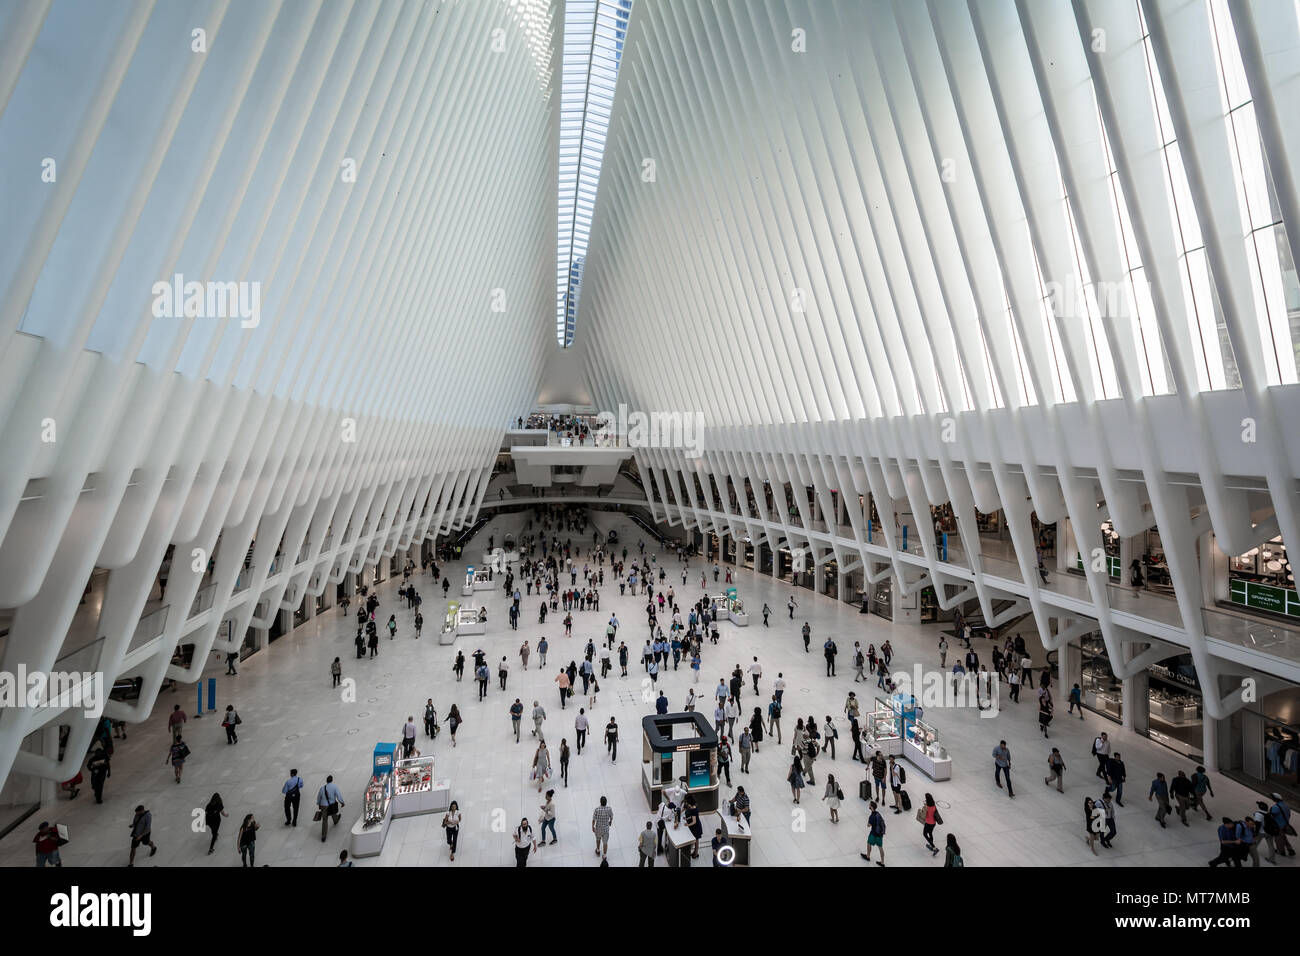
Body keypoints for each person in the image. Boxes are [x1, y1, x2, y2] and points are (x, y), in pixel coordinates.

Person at [316, 775, 345, 842]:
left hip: (323, 806)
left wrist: (319, 804)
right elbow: (338, 795)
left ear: (326, 781)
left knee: (324, 820)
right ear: (332, 780)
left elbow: (319, 797)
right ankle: (336, 820)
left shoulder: (322, 788)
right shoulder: (334, 786)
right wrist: (342, 802)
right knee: (333, 812)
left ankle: (323, 836)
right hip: (331, 804)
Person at [862, 801, 886, 866]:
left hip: (873, 833)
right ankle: (882, 862)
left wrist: (868, 822)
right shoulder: (878, 813)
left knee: (869, 843)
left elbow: (868, 825)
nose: (869, 805)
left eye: (869, 805)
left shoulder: (871, 816)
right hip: (880, 834)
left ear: (871, 807)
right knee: (880, 847)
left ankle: (868, 856)